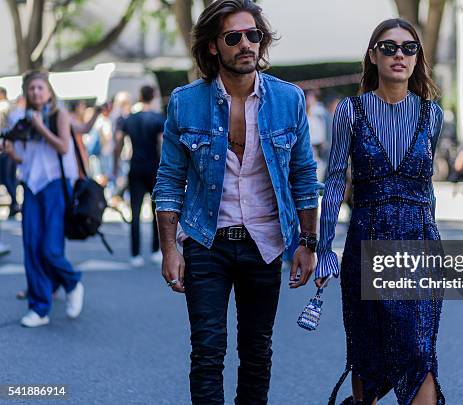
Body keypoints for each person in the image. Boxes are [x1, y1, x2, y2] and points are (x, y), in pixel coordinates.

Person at [152, 1, 322, 403]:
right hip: (206, 241)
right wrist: (169, 248)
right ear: (214, 46)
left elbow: (304, 176)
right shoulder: (185, 102)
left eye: (253, 35)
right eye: (234, 37)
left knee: (257, 354)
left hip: (264, 242)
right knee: (208, 353)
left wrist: (308, 243)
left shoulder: (288, 100)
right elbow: (169, 180)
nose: (246, 44)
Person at [315, 18, 445, 405]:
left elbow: (427, 187)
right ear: (373, 56)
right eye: (389, 48)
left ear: (418, 57)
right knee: (367, 359)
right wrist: (324, 250)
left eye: (409, 48)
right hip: (367, 244)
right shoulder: (350, 111)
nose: (399, 55)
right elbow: (336, 179)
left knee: (420, 354)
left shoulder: (432, 115)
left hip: (420, 246)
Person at [3, 71, 84, 327]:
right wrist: (10, 152)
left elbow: (63, 147)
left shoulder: (57, 114)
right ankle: (39, 308)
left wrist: (40, 127)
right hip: (30, 185)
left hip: (54, 185)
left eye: (40, 87)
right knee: (31, 246)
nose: (36, 92)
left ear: (49, 91)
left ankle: (72, 282)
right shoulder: (19, 118)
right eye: (31, 89)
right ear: (26, 93)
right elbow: (23, 158)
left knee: (50, 248)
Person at [115, 86, 164, 267]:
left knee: (135, 212)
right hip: (153, 167)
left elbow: (118, 142)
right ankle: (155, 250)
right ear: (154, 97)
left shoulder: (130, 119)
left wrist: (115, 166)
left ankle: (135, 254)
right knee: (156, 211)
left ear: (140, 96)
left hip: (135, 166)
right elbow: (161, 143)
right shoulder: (159, 118)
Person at [0, 87, 19, 218]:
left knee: (6, 177)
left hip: (4, 144)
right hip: (13, 144)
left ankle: (15, 203)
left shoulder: (3, 107)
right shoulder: (13, 107)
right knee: (11, 177)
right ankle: (14, 203)